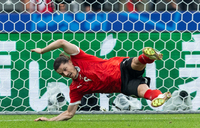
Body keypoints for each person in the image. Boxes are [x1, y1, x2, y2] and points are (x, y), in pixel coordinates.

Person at [31, 39, 171, 121]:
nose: (66, 74)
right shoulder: (76, 88)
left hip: (119, 67)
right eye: (62, 74)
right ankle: (159, 95)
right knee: (142, 91)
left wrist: (43, 50)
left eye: (65, 69)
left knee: (135, 64)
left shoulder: (79, 57)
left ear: (69, 61)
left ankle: (147, 56)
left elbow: (61, 42)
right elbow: (69, 113)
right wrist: (50, 120)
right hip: (123, 85)